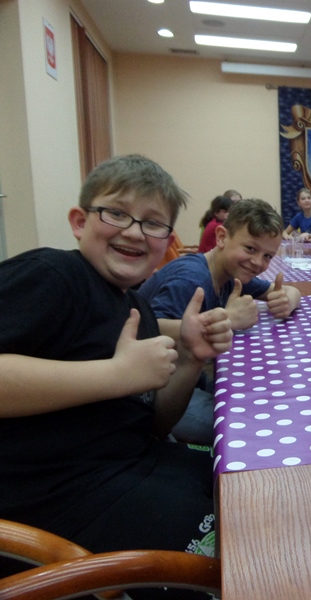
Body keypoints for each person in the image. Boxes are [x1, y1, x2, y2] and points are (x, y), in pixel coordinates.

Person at [0, 155, 233, 584]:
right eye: (117, 213)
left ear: (168, 240)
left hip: (136, 467)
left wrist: (191, 358)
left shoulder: (136, 306)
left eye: (153, 223)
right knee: (241, 563)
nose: (134, 231)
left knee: (246, 486)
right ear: (79, 221)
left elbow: (154, 423)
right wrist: (115, 374)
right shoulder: (56, 274)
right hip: (56, 503)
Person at [139, 198, 299, 444]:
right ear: (222, 237)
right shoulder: (192, 279)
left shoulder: (233, 274)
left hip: (189, 376)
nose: (258, 262)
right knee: (250, 427)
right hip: (151, 392)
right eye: (250, 249)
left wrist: (287, 299)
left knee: (265, 399)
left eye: (267, 255)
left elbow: (289, 291)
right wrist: (227, 320)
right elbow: (148, 328)